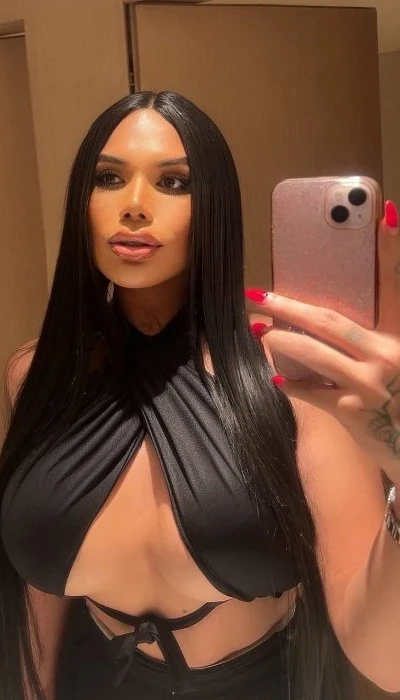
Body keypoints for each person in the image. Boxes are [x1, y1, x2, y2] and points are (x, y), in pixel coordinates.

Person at [0, 91, 399, 700]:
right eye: (108, 178)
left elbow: (386, 661)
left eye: (174, 182)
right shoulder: (40, 375)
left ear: (215, 206)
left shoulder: (292, 383)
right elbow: (39, 601)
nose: (135, 205)